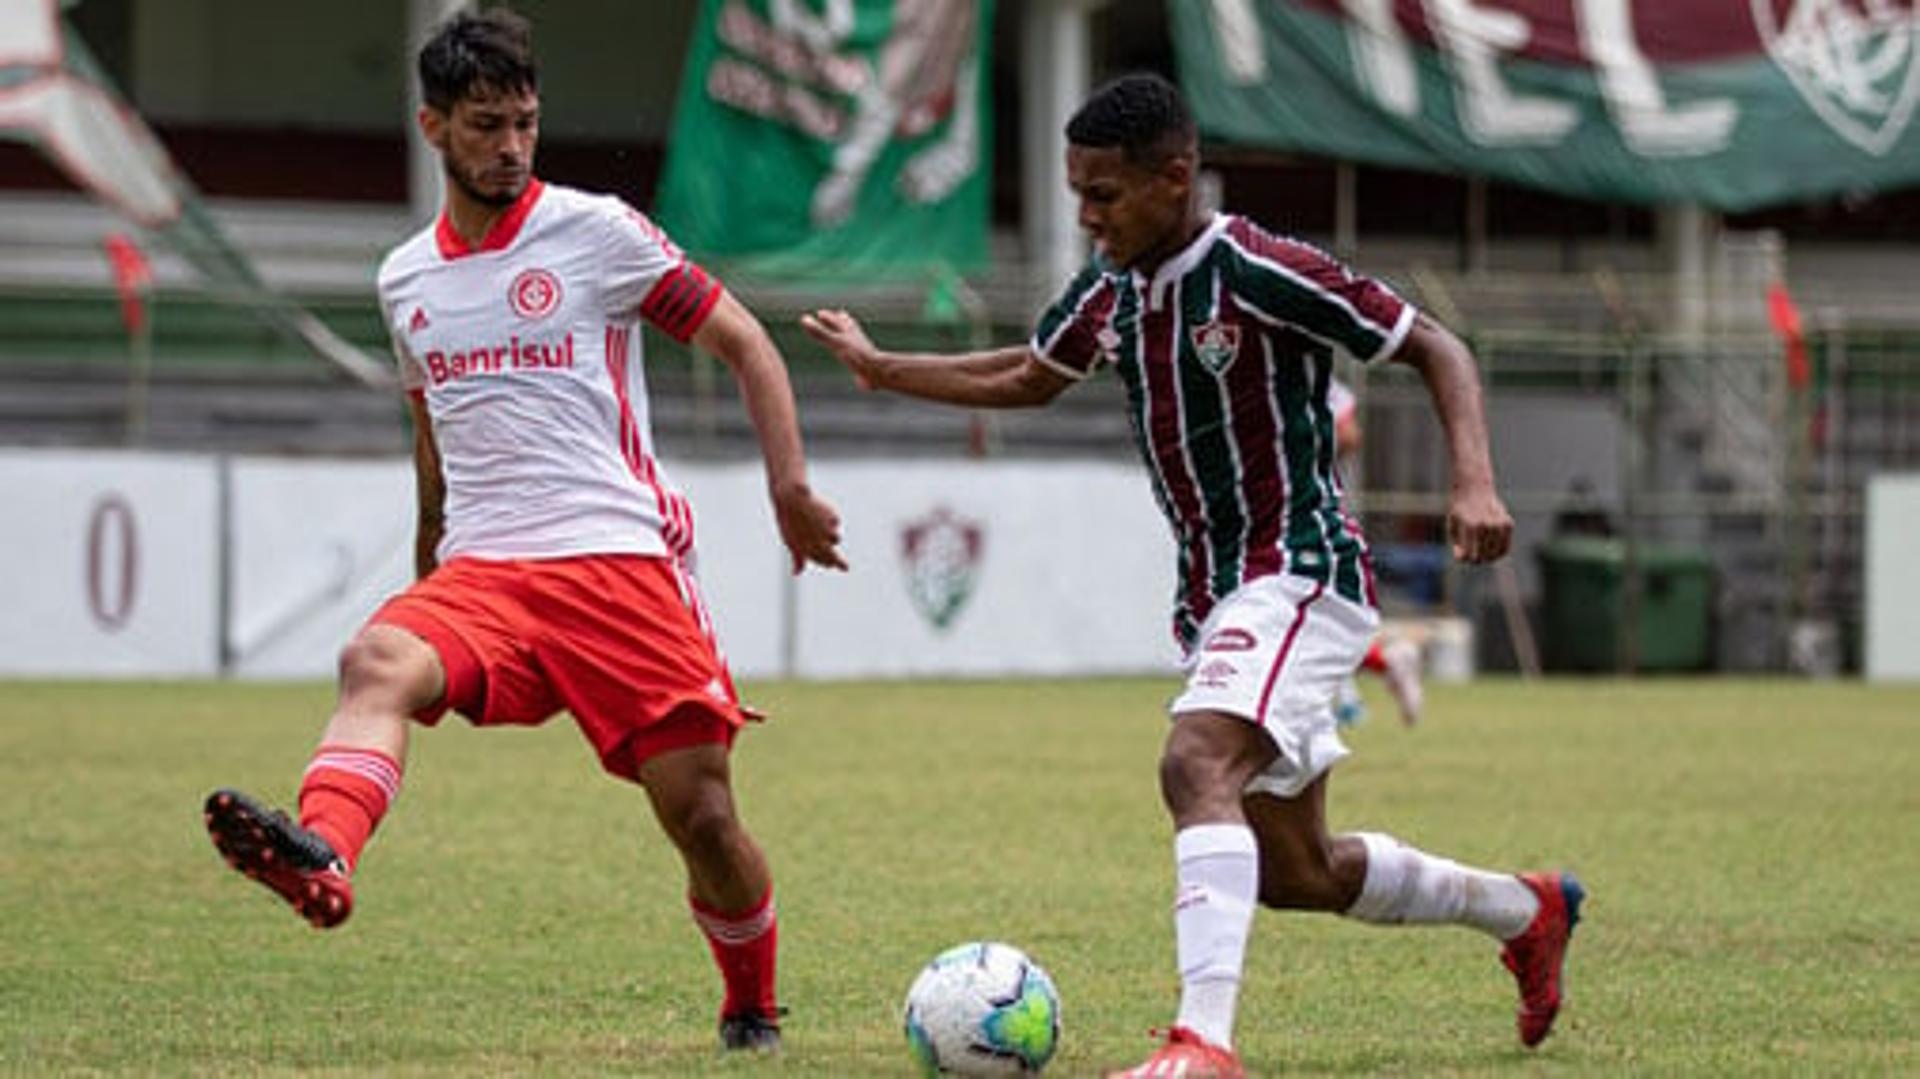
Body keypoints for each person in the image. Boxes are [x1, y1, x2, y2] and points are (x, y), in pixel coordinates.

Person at [802, 73, 1583, 1076]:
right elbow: (1032, 373)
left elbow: (1435, 345)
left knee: (1193, 763)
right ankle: (1527, 909)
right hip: (1219, 595)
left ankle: (1203, 1044)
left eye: (1104, 194)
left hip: (1300, 568)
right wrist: (885, 367)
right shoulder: (1114, 288)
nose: (1086, 215)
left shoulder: (1260, 268)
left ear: (1175, 178)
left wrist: (1474, 481)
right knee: (1295, 869)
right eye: (1077, 192)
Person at [201, 8, 845, 1053]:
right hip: (486, 574)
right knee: (373, 657)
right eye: (488, 125)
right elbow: (432, 440)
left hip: (617, 562)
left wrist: (789, 486)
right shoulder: (405, 279)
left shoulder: (598, 232)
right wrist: (427, 572)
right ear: (433, 127)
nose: (510, 146)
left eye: (525, 124)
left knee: (704, 817)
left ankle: (750, 1005)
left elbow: (744, 341)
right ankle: (324, 853)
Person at [1326, 377, 1424, 727]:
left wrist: (1305, 449)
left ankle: (1372, 674)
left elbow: (1350, 434)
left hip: (1308, 517)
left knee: (1309, 617)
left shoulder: (1311, 374)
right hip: (1283, 516)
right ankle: (1356, 690)